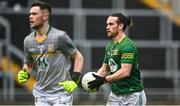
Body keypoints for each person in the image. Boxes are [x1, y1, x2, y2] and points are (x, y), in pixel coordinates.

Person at [17, 1, 84, 106]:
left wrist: (74, 80)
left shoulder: (60, 36)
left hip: (61, 95)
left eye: (34, 14)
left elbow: (78, 57)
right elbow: (29, 63)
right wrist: (25, 72)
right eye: (30, 14)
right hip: (40, 94)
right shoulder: (28, 40)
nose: (30, 17)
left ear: (45, 16)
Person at [88, 13, 147, 105]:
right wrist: (93, 80)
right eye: (107, 24)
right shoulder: (109, 47)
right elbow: (104, 69)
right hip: (115, 94)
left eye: (111, 24)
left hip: (132, 95)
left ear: (120, 26)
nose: (107, 27)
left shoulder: (127, 45)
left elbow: (125, 72)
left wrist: (103, 80)